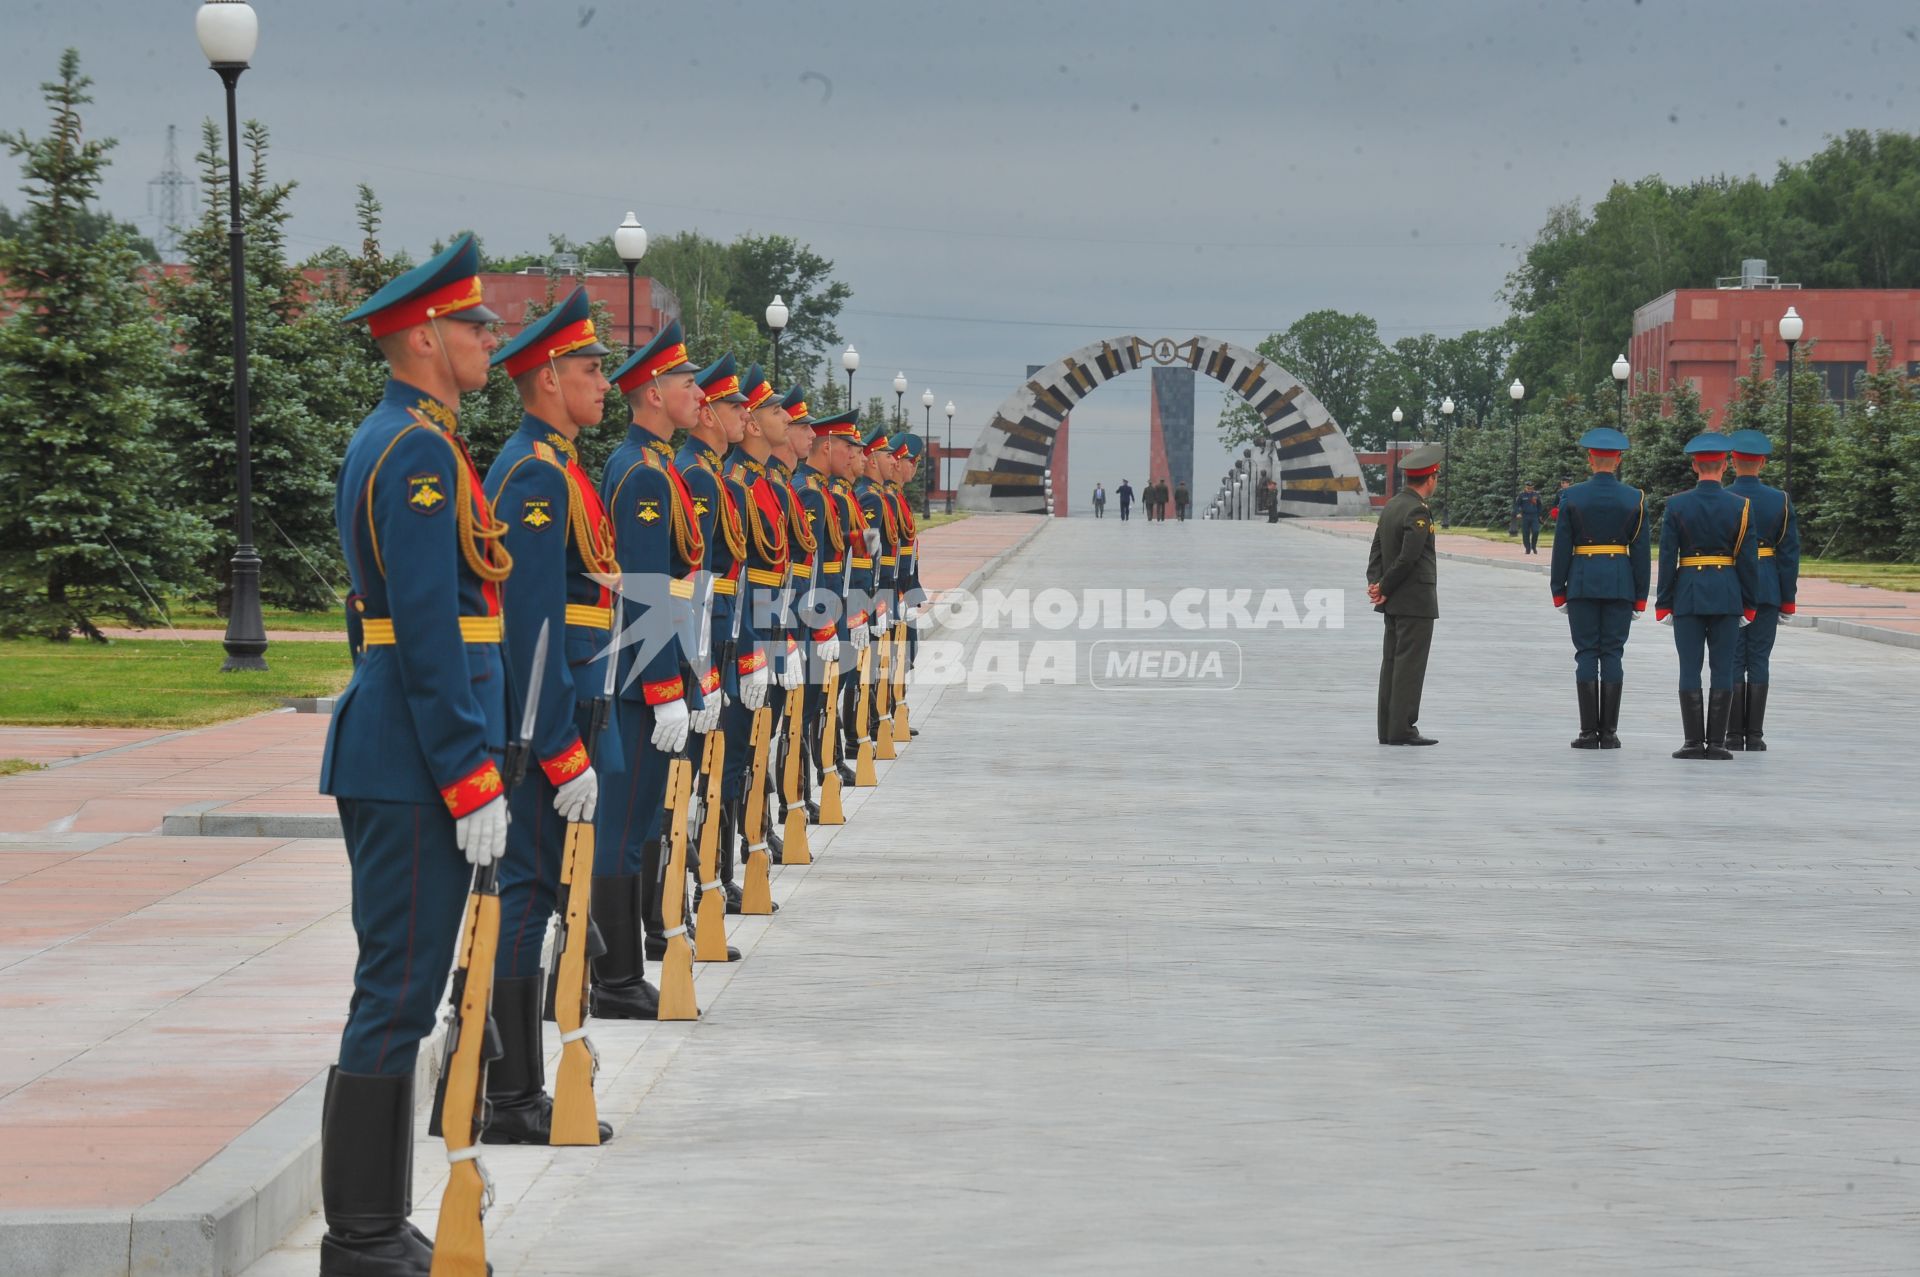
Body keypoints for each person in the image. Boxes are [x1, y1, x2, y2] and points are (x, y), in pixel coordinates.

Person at [320, 233, 509, 1272]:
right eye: (477, 323)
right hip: (410, 755)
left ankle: (377, 1219)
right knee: (394, 987)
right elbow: (426, 627)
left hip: (403, 743)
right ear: (428, 334)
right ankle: (359, 1234)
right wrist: (469, 770)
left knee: (402, 977)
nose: (491, 338)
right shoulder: (419, 450)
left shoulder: (407, 438)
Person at [477, 286, 620, 1144]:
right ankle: (510, 1097)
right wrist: (553, 746)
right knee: (525, 901)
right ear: (547, 378)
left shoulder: (560, 467)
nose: (604, 382)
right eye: (591, 369)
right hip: (542, 727)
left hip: (571, 707)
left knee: (540, 901)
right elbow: (529, 626)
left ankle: (512, 1089)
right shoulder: (534, 473)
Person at [595, 318, 704, 1018]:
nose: (696, 394)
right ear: (654, 394)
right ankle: (614, 977)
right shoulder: (640, 472)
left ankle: (614, 965)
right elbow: (643, 587)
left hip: (647, 673)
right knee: (624, 829)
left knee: (634, 827)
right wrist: (666, 687)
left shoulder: (654, 466)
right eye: (687, 383)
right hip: (637, 683)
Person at [1655, 434, 1762, 760]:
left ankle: (1692, 743)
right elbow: (1747, 561)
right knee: (1722, 668)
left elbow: (1667, 556)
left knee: (1689, 667)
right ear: (1725, 465)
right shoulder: (1741, 506)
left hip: (1688, 593)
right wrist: (1750, 602)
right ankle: (1716, 743)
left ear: (1694, 466)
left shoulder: (1677, 504)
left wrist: (1663, 601)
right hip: (1727, 594)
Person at [1548, 428, 1650, 749]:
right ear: (1618, 460)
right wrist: (1641, 595)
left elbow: (1562, 546)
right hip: (1620, 582)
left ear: (1590, 459)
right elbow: (1641, 552)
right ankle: (1610, 733)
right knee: (1613, 653)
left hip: (1582, 582)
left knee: (1586, 653)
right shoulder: (1635, 497)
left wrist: (1558, 588)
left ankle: (1588, 733)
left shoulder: (1572, 496)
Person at [1724, 429, 1800, 750]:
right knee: (1759, 658)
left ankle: (1732, 734)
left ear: (1731, 461)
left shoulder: (1724, 497)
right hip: (1767, 585)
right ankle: (1754, 736)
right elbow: (1788, 554)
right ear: (1763, 463)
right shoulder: (1778, 500)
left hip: (1730, 587)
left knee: (1732, 659)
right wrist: (1788, 600)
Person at [1367, 444, 1443, 745]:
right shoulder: (1417, 510)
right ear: (1430, 478)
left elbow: (1376, 551)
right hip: (1415, 602)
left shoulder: (1392, 505)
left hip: (1394, 601)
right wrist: (1383, 586)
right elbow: (1408, 558)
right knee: (1409, 667)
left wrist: (1376, 584)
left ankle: (1388, 728)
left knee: (1392, 663)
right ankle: (1403, 729)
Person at [1513, 480, 1543, 554]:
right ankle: (1527, 548)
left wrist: (1540, 515)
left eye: (1531, 488)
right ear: (1525, 487)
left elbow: (1539, 505)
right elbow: (1517, 505)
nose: (1529, 489)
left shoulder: (1536, 495)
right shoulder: (1521, 495)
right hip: (1525, 516)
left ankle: (1534, 546)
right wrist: (1518, 513)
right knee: (1526, 533)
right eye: (1528, 488)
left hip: (1534, 516)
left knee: (1536, 531)